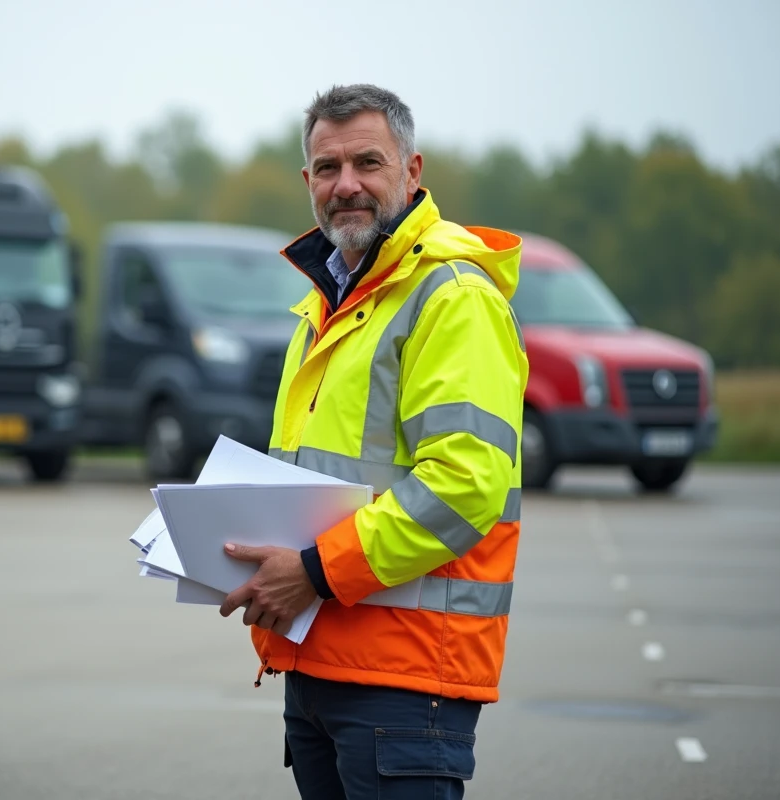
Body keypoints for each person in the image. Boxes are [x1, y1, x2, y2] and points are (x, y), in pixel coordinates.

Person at [218, 83, 528, 799]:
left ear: (412, 172)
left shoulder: (452, 297)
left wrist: (315, 571)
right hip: (320, 663)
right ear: (307, 182)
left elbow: (461, 486)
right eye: (327, 169)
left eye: (368, 163)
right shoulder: (329, 301)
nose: (346, 185)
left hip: (406, 680)